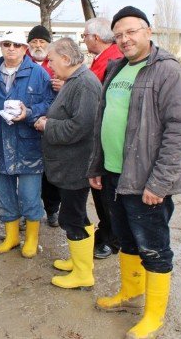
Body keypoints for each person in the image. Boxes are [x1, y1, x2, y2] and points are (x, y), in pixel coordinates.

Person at [88, 6, 181, 339]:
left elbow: (179, 131)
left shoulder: (167, 72)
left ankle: (153, 315)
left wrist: (160, 183)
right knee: (125, 239)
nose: (124, 39)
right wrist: (97, 166)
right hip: (113, 174)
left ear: (148, 31)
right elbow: (103, 121)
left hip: (146, 179)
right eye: (118, 35)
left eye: (131, 32)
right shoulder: (117, 68)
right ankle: (130, 294)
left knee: (153, 246)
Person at [0, 31, 55, 259]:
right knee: (5, 194)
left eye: (17, 44)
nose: (12, 48)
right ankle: (12, 236)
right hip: (0, 144)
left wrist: (29, 113)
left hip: (28, 145)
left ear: (24, 48)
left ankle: (32, 238)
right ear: (1, 46)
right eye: (7, 44)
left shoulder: (39, 74)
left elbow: (49, 103)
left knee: (29, 195)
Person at [34, 38, 101, 289]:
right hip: (70, 163)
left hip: (76, 165)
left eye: (51, 60)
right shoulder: (76, 81)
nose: (49, 66)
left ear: (65, 58)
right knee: (76, 215)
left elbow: (80, 128)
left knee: (72, 217)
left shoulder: (84, 84)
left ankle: (83, 273)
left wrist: (47, 125)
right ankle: (79, 261)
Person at [82, 17, 125, 259]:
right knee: (100, 192)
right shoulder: (103, 59)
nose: (84, 40)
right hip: (98, 137)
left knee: (108, 193)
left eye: (85, 36)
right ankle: (107, 231)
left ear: (96, 37)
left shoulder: (114, 61)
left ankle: (112, 239)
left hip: (108, 140)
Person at [26, 25, 61, 227]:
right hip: (28, 125)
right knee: (29, 173)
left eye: (42, 42)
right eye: (34, 42)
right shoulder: (23, 63)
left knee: (50, 173)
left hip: (52, 126)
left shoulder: (57, 63)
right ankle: (29, 212)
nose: (38, 45)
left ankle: (52, 210)